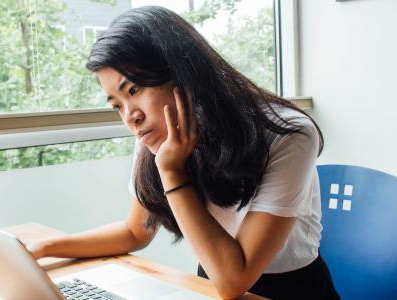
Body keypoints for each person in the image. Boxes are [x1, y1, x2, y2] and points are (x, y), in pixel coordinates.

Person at [27, 6, 340, 299]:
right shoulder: (160, 131)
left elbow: (234, 279)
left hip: (287, 290)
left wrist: (172, 171)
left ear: (182, 73)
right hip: (210, 280)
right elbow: (134, 232)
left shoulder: (288, 134)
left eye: (134, 90)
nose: (130, 117)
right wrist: (44, 247)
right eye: (117, 106)